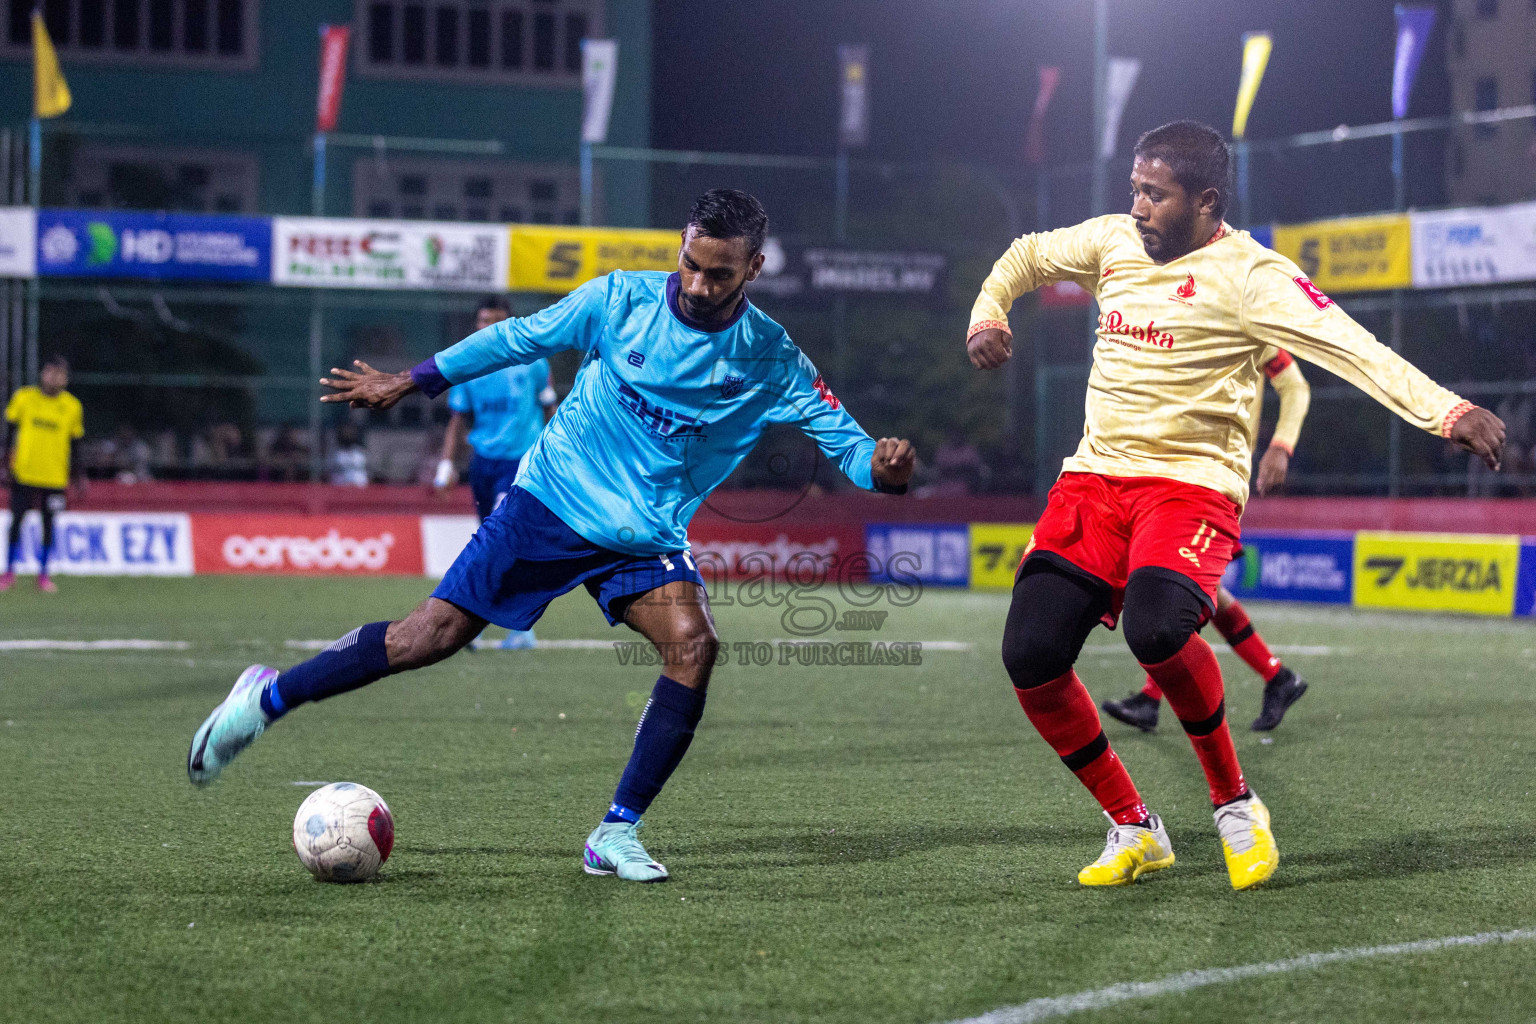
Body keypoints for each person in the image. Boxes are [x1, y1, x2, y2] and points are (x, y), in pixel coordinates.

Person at [186, 189, 916, 882]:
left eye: (719, 273)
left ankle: (616, 833)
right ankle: (267, 698)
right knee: (427, 638)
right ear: (681, 247)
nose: (697, 284)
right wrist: (414, 380)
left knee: (694, 647)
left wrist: (883, 468)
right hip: (552, 498)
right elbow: (517, 338)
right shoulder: (620, 300)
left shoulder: (773, 358)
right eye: (690, 263)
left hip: (643, 534)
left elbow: (851, 449)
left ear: (753, 268)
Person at [967, 121, 1504, 891]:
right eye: (1136, 191)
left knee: (1158, 628)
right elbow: (1024, 255)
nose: (1140, 207)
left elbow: (1350, 346)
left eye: (1156, 194)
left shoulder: (1252, 277)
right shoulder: (1112, 243)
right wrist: (989, 312)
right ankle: (1133, 824)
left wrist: (1447, 411)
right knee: (1030, 654)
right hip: (1094, 481)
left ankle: (1235, 803)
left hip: (1192, 487)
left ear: (1206, 201)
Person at [1102, 347, 1311, 733]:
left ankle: (1155, 700)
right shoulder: (1181, 309)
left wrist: (1281, 446)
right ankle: (1277, 677)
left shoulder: (1247, 312)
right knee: (1194, 588)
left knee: (1171, 585)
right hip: (1171, 467)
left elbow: (1295, 386)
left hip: (1217, 471)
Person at [433, 295, 559, 650]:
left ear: (509, 324)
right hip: (483, 464)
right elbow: (458, 421)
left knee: (501, 538)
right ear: (476, 325)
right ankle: (485, 621)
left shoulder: (532, 362)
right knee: (489, 540)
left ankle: (511, 624)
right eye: (483, 320)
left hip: (520, 462)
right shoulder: (467, 367)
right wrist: (446, 466)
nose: (489, 327)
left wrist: (558, 457)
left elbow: (552, 411)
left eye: (497, 320)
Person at [3, 355, 85, 593]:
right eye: (51, 372)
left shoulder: (72, 406)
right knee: (16, 521)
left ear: (66, 379)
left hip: (54, 476)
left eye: (60, 374)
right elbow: (9, 433)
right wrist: (6, 464)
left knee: (49, 524)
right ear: (43, 374)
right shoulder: (24, 398)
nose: (55, 378)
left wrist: (79, 476)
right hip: (24, 472)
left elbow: (76, 443)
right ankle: (9, 572)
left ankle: (43, 575)